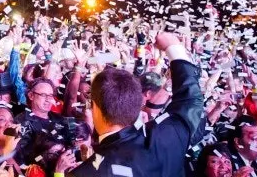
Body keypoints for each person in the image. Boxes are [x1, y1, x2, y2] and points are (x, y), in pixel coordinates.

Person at [71, 32, 204, 176]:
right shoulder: (167, 138)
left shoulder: (84, 173)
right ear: (137, 104)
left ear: (95, 108)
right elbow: (191, 99)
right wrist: (173, 46)